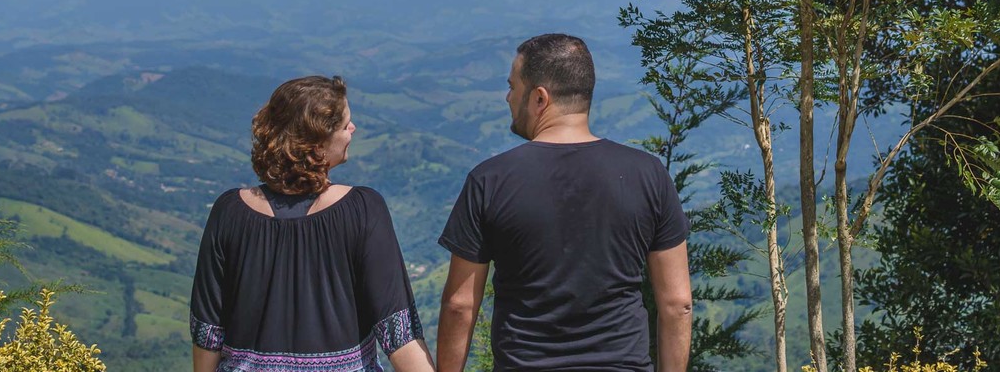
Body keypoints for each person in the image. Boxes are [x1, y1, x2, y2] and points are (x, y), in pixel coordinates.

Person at [437, 34, 692, 372]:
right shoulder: (649, 175)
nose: (508, 97)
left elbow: (459, 305)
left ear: (539, 98)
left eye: (512, 87)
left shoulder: (489, 180)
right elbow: (677, 304)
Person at [190, 75, 434, 372]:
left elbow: (208, 332)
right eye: (345, 125)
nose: (353, 129)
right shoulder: (363, 210)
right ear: (317, 145)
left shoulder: (229, 212)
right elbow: (398, 332)